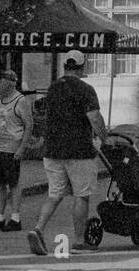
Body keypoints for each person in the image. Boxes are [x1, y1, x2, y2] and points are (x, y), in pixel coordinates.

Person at [27, 51, 106, 256]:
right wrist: (104, 138)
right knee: (82, 195)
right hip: (78, 150)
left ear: (64, 66)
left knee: (54, 194)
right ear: (82, 67)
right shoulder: (85, 89)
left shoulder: (53, 88)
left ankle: (38, 228)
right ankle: (79, 241)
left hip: (53, 150)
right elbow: (94, 117)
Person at [0, 69, 33, 231]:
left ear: (8, 83)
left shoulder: (20, 101)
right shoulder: (0, 99)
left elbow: (29, 125)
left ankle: (15, 217)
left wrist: (22, 148)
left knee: (13, 183)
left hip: (11, 148)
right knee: (0, 183)